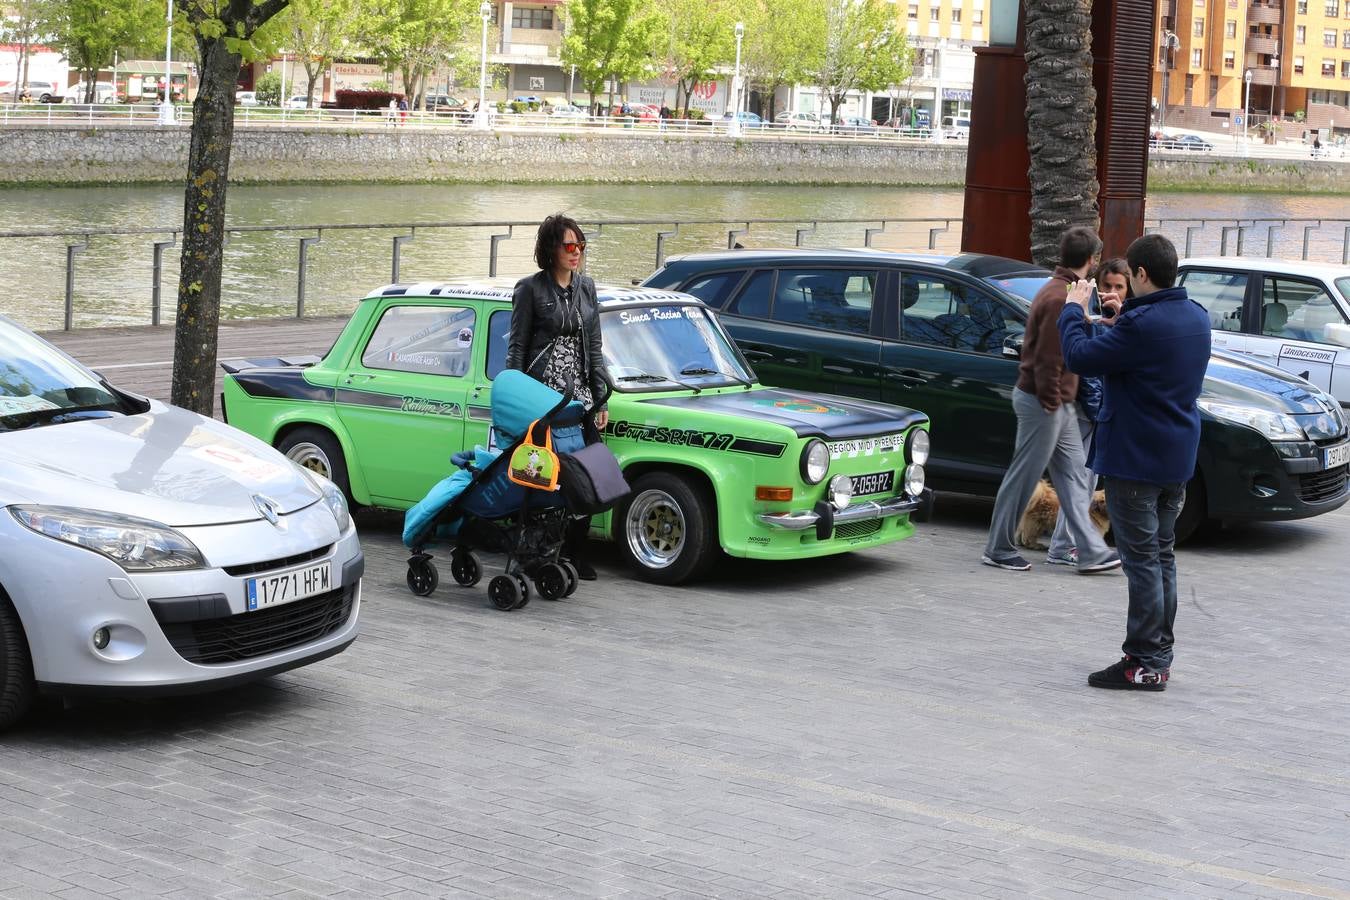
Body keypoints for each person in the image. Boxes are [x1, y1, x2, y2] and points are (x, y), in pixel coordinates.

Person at [1059, 234, 1212, 691]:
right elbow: (1152, 352)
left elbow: (1078, 356)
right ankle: (1158, 655)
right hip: (1177, 457)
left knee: (1142, 561)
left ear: (1141, 275)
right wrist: (1121, 320)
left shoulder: (1141, 325)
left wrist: (1073, 307)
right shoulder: (1196, 317)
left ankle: (1142, 662)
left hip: (1135, 461)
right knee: (1162, 556)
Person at [981, 226, 1122, 574]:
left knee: (1075, 476)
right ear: (1092, 260)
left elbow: (1060, 340)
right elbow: (1048, 358)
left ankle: (1087, 550)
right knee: (1024, 476)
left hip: (1058, 404)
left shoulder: (1063, 291)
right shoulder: (1060, 297)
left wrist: (1096, 320)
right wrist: (1051, 403)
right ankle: (998, 548)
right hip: (1045, 403)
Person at [507, 214, 609, 580]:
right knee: (543, 475)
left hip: (578, 397)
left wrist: (601, 399)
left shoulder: (587, 288)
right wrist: (514, 399)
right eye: (569, 246)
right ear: (551, 249)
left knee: (589, 475)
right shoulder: (530, 289)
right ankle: (537, 553)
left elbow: (594, 348)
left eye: (581, 246)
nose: (576, 252)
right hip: (542, 396)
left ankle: (574, 552)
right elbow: (516, 349)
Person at [1044, 257, 1131, 567]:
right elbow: (1090, 376)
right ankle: (1066, 546)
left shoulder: (1124, 320)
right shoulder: (1092, 318)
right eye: (1106, 285)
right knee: (1081, 481)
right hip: (1088, 412)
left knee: (1084, 482)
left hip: (1097, 412)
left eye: (1119, 287)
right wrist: (1098, 414)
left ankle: (1064, 544)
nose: (1111, 292)